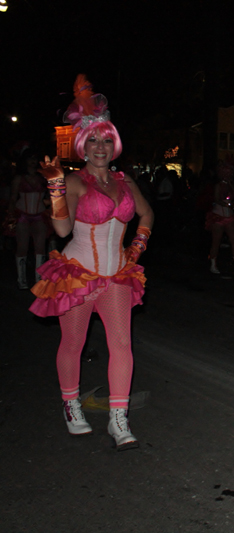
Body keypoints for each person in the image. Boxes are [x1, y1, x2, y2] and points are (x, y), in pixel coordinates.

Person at [29, 75, 154, 450]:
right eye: (94, 140)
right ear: (83, 145)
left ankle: (119, 418)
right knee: (74, 343)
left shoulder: (125, 181)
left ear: (114, 144)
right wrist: (55, 188)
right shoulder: (74, 181)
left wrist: (136, 249)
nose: (100, 146)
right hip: (78, 274)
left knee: (122, 345)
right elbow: (63, 228)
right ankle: (72, 405)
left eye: (106, 139)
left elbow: (146, 216)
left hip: (116, 275)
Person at [9, 152, 49, 289]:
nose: (33, 161)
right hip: (22, 216)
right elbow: (13, 198)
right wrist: (10, 215)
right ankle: (22, 280)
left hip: (40, 215)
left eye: (35, 157)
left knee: (40, 248)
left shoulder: (43, 177)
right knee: (22, 248)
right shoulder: (19, 178)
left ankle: (39, 279)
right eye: (30, 158)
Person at [206, 161, 234, 274]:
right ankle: (213, 265)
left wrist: (233, 203)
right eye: (226, 173)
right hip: (218, 217)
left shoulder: (231, 185)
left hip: (229, 216)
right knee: (216, 242)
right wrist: (226, 204)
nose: (228, 175)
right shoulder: (218, 185)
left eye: (230, 173)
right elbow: (216, 199)